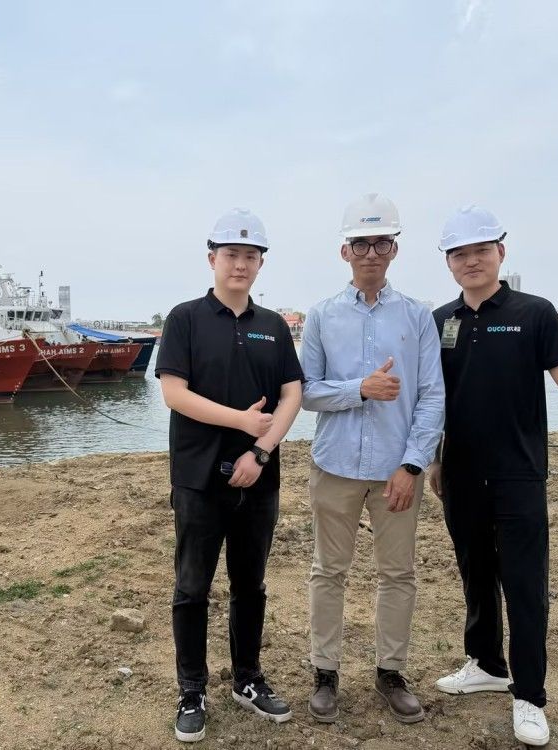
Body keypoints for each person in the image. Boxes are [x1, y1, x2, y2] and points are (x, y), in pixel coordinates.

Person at [429, 205, 558, 747]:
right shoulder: (440, 320)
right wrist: (434, 460)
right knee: (475, 573)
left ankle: (529, 694)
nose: (471, 261)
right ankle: (487, 663)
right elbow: (435, 399)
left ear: (500, 253)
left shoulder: (535, 312)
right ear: (449, 263)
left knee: (525, 584)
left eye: (481, 250)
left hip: (519, 472)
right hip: (458, 473)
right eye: (460, 254)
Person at [155, 208, 304, 743]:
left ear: (261, 264)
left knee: (250, 584)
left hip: (258, 477)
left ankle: (247, 678)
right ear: (212, 258)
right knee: (192, 586)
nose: (241, 264)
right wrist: (240, 419)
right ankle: (191, 688)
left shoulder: (273, 327)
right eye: (232, 254)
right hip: (197, 476)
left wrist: (260, 450)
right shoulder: (185, 318)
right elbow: (174, 392)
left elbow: (292, 393)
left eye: (251, 256)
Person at [301, 193, 445, 725]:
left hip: (394, 471)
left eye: (380, 242)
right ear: (345, 251)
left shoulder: (417, 317)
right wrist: (359, 389)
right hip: (334, 464)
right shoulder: (320, 316)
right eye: (360, 243)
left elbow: (432, 395)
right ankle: (325, 673)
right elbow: (307, 392)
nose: (370, 252)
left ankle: (391, 672)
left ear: (394, 248)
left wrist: (412, 464)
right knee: (327, 571)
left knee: (397, 573)